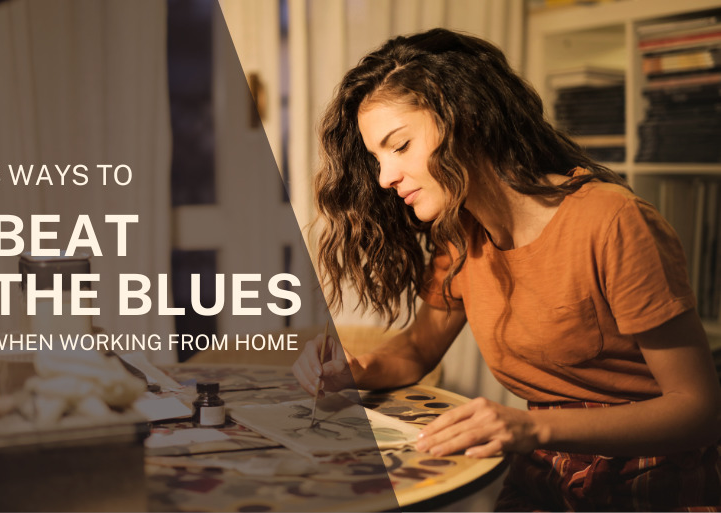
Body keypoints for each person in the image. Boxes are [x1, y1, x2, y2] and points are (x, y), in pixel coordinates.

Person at [292, 28, 721, 511]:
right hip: (545, 475)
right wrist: (357, 370)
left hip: (651, 481)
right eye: (376, 158)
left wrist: (529, 425)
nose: (385, 178)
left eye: (400, 145)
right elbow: (417, 349)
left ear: (466, 118)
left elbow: (700, 411)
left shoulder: (612, 221)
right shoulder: (460, 231)